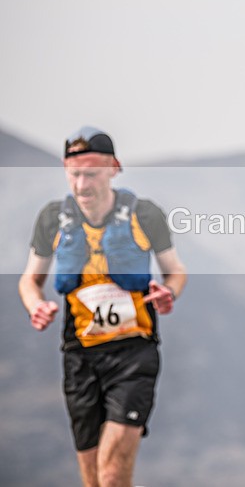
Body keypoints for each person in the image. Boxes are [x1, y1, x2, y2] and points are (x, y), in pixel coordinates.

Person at [18, 127, 187, 487]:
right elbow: (30, 281)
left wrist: (168, 293)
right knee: (93, 478)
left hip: (133, 353)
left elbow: (176, 272)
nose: (82, 185)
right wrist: (36, 306)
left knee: (111, 474)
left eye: (91, 174)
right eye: (74, 174)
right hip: (79, 355)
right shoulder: (53, 219)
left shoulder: (144, 215)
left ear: (113, 169)